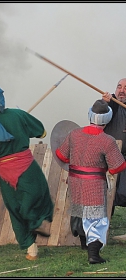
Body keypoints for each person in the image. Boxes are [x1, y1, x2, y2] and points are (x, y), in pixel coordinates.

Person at [0, 84, 54, 261]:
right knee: (37, 197)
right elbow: (42, 132)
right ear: (1, 98)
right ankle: (37, 221)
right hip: (27, 167)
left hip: (5, 172)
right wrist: (21, 123)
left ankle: (31, 250)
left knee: (15, 209)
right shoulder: (19, 115)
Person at [55, 99, 126, 264]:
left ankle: (84, 246)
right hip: (93, 184)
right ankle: (93, 255)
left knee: (80, 212)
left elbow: (61, 155)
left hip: (74, 181)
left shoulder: (74, 134)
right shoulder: (107, 140)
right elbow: (117, 167)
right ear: (107, 118)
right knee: (96, 219)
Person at [102, 78, 126, 212]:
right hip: (107, 160)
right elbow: (98, 116)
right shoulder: (109, 105)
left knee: (122, 194)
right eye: (119, 87)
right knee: (105, 195)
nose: (122, 91)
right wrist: (106, 104)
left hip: (124, 161)